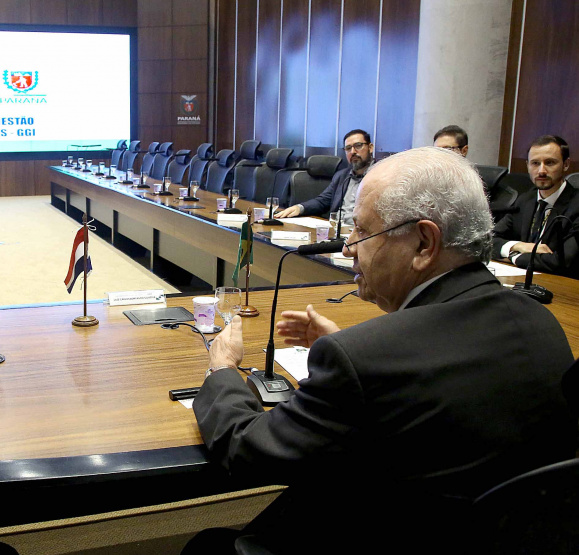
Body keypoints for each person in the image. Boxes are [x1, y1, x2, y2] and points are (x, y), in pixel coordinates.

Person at [184, 147, 576, 554]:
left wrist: (223, 369)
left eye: (361, 232)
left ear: (424, 243)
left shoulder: (366, 360)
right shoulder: (540, 321)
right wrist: (352, 350)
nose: (348, 248)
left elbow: (248, 451)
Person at [492, 135, 579, 278]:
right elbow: (488, 241)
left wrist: (514, 257)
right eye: (535, 163)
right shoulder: (525, 199)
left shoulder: (576, 205)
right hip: (523, 281)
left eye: (550, 163)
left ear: (566, 164)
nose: (541, 171)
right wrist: (518, 246)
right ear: (527, 166)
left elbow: (562, 262)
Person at [274, 129, 373, 223]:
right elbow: (323, 201)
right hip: (337, 230)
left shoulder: (382, 176)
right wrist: (299, 208)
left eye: (358, 146)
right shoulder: (342, 176)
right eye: (348, 148)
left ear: (370, 147)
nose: (353, 152)